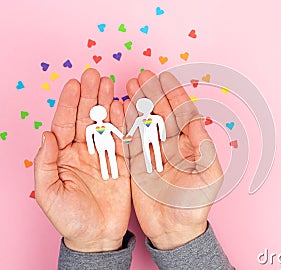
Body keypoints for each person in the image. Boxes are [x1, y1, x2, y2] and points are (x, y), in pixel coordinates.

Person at [34, 68, 235, 270]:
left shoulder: (152, 119)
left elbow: (146, 129)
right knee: (110, 163)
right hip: (107, 147)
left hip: (135, 143)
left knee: (148, 154)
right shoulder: (96, 128)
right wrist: (92, 246)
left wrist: (180, 233)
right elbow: (117, 132)